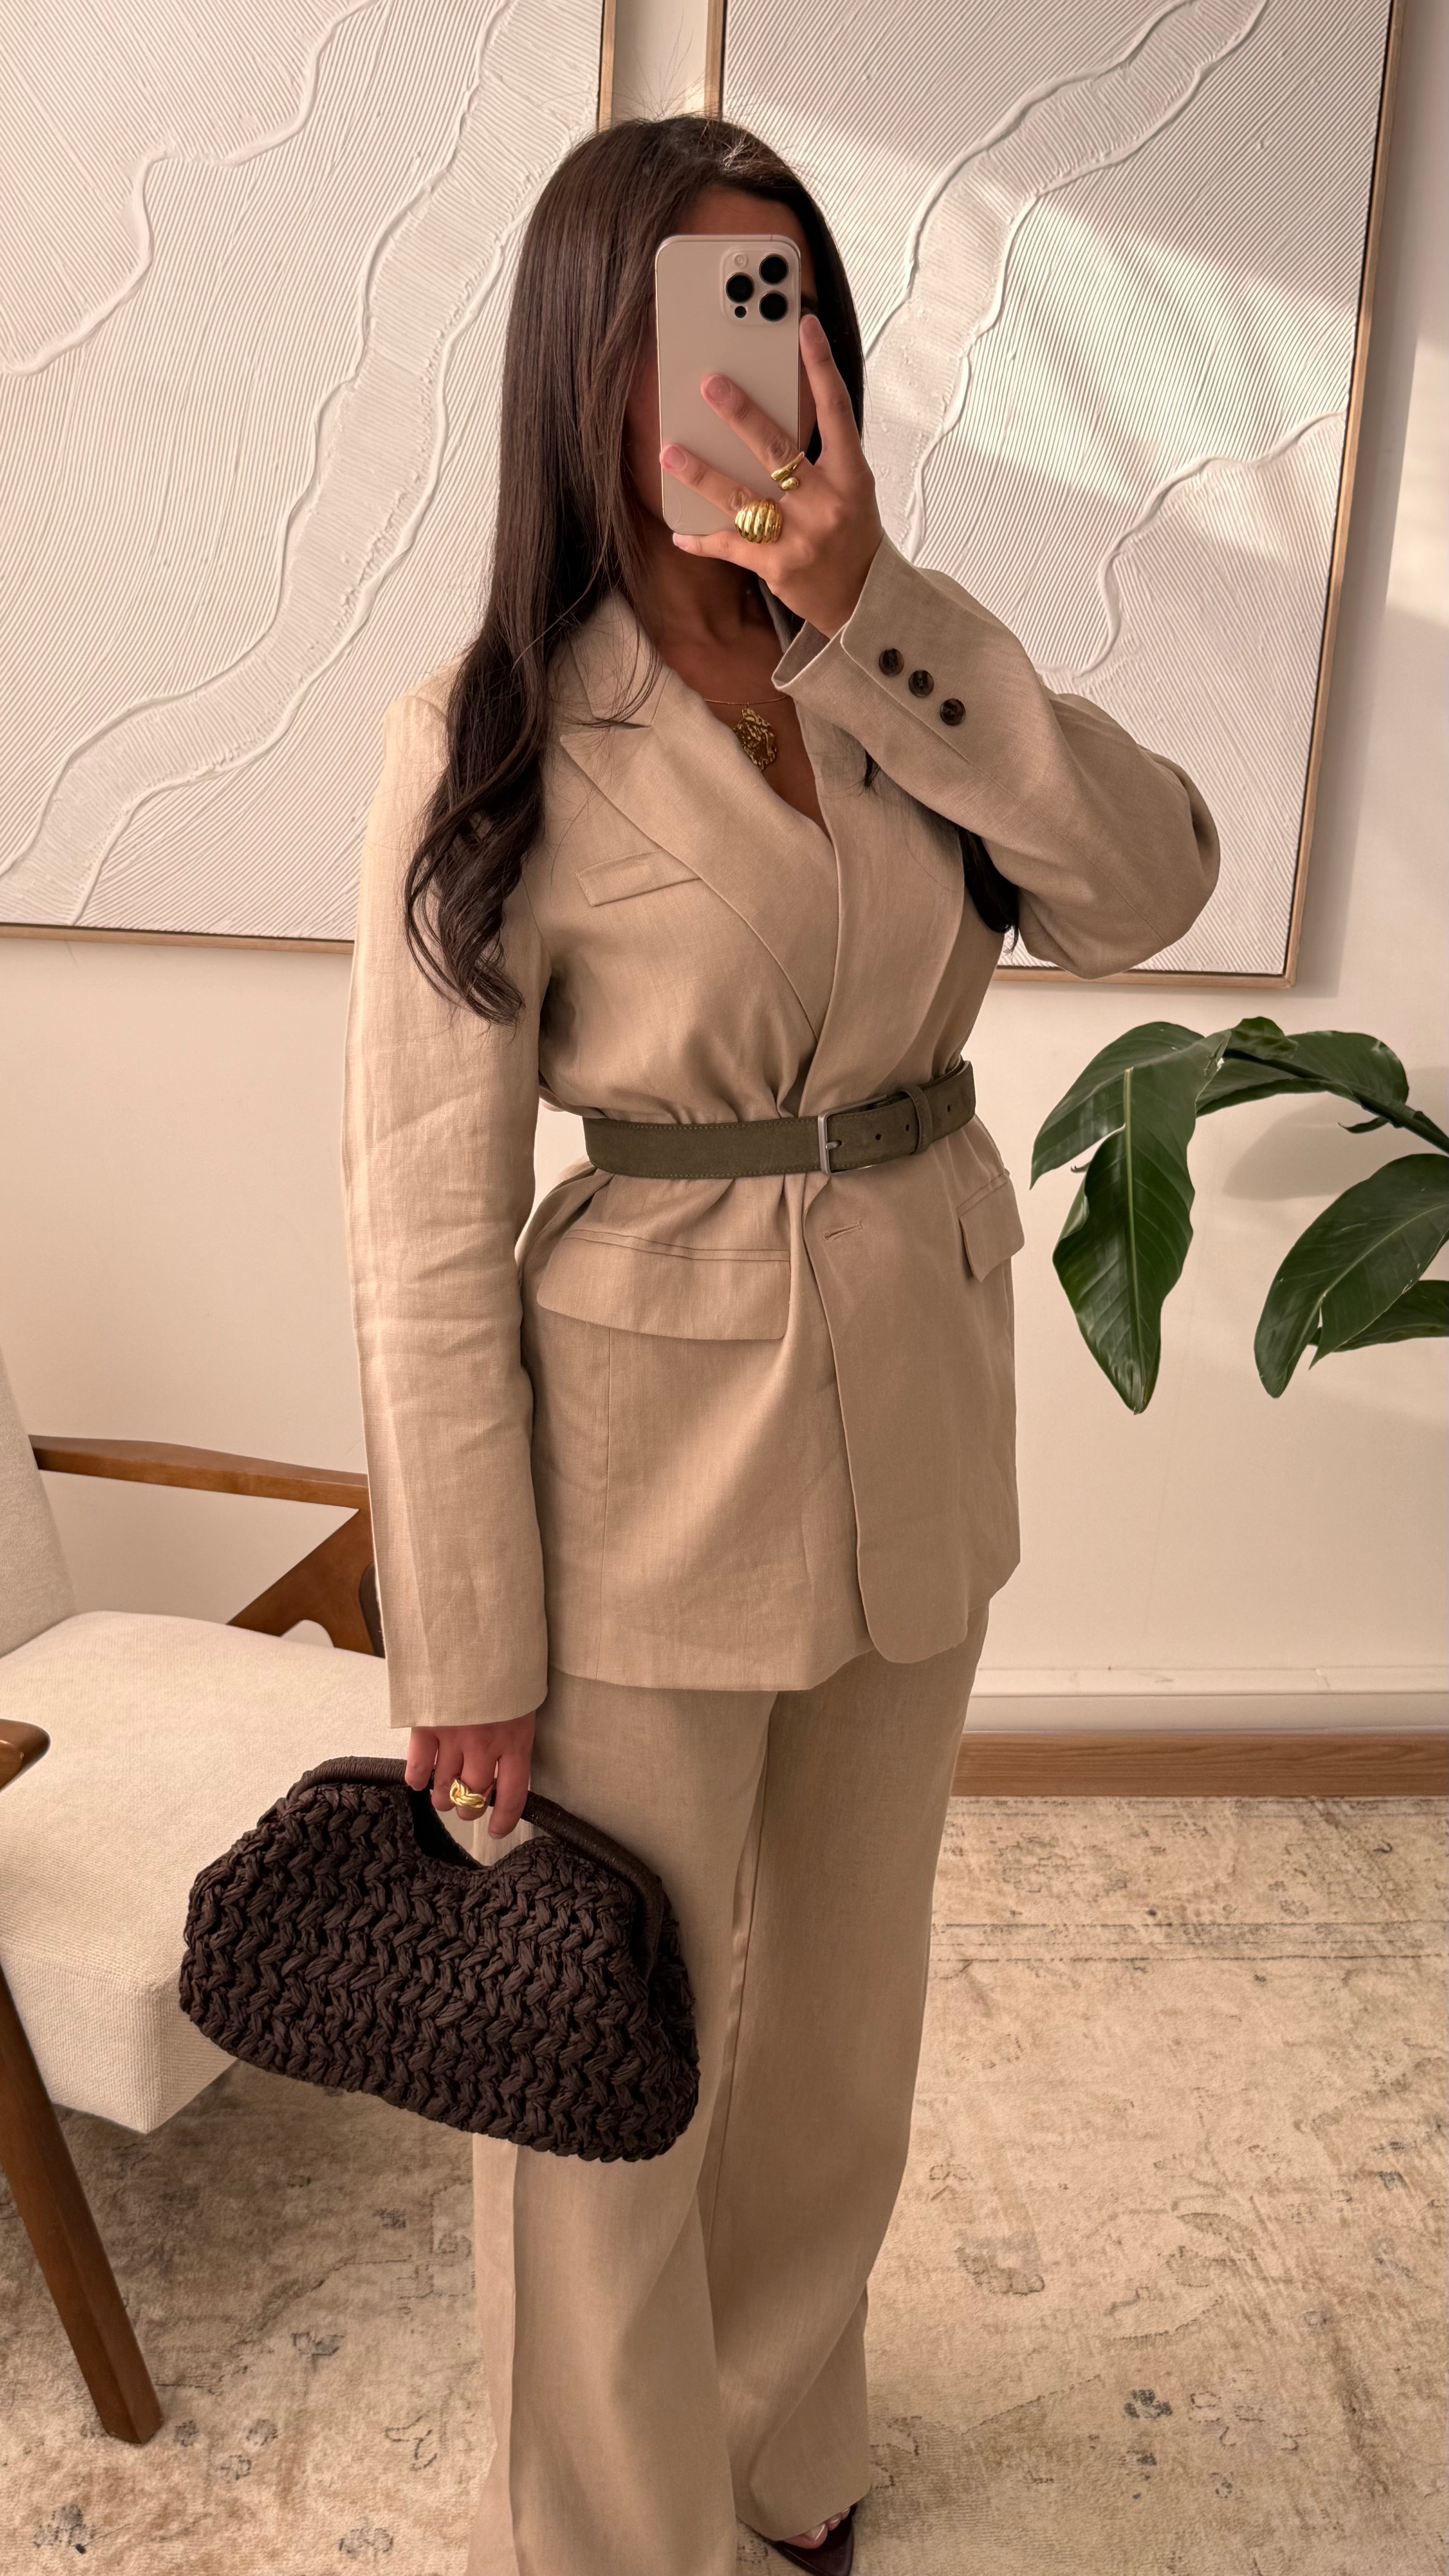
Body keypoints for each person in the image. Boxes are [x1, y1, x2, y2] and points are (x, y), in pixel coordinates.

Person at [341, 112, 1219, 2576]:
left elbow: (1147, 886)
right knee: (607, 2047)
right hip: (637, 1460)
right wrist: (462, 1631)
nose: (775, 356)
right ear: (591, 366)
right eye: (715, 315)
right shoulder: (489, 730)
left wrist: (874, 614)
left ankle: (774, 2453)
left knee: (839, 2032)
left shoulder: (903, 666)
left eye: (800, 301)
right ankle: (610, 2536)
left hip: (915, 1413)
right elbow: (420, 1222)